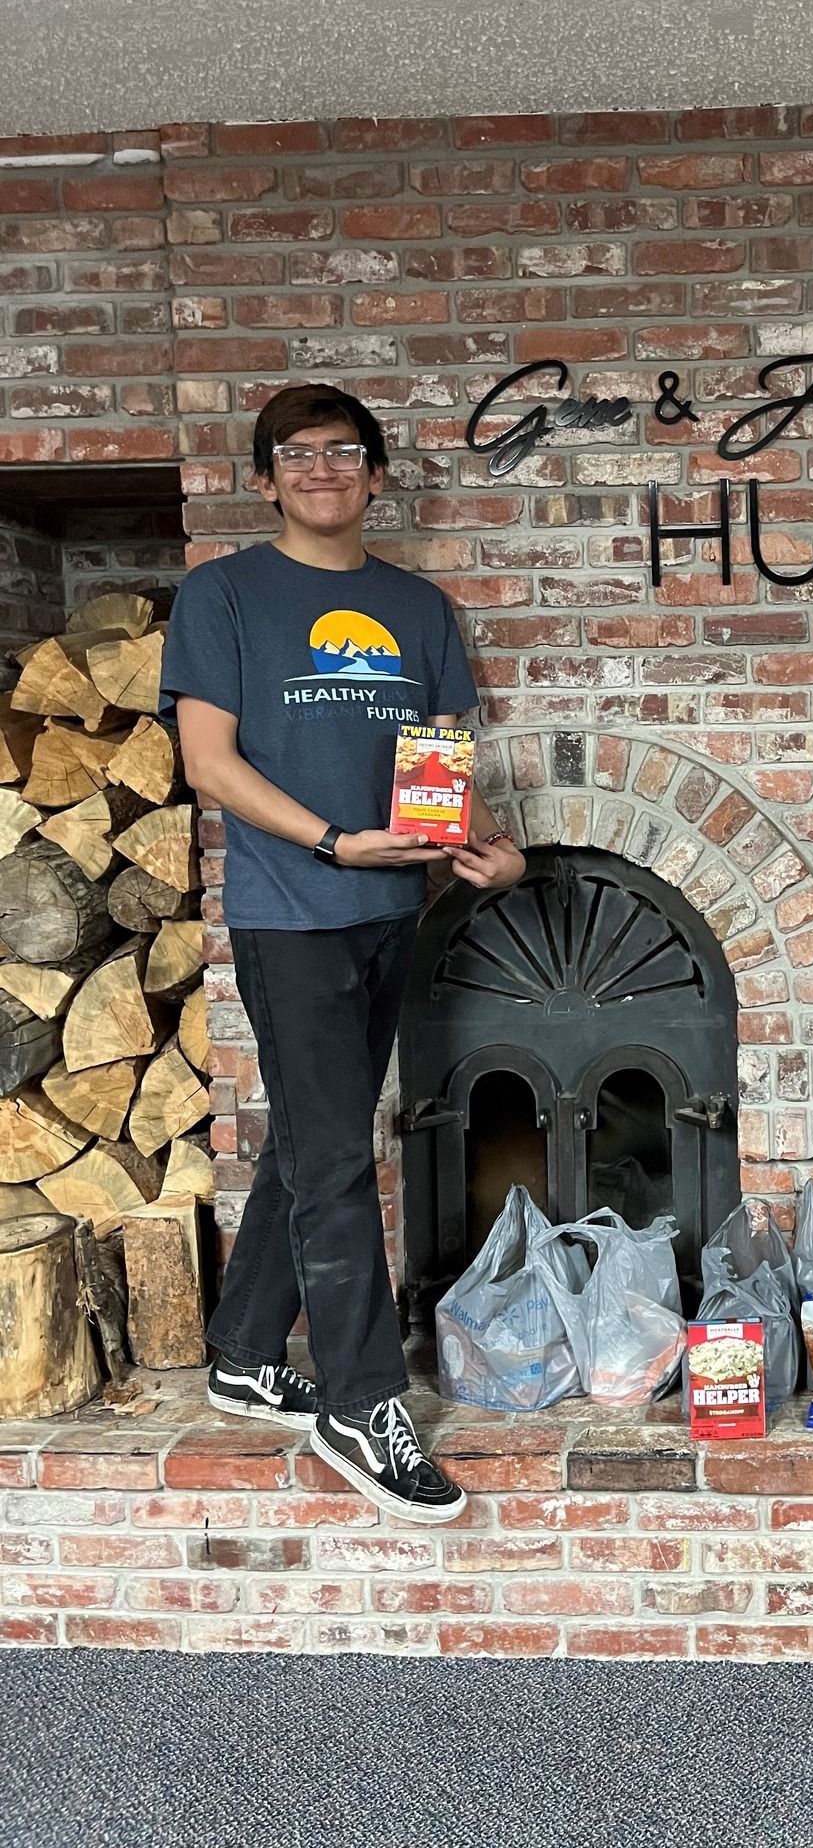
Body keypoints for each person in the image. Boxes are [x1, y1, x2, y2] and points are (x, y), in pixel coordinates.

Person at [160, 382, 525, 1524]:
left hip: (391, 910)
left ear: (374, 472)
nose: (323, 469)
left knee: (316, 1137)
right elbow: (207, 762)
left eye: (344, 451)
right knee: (330, 1157)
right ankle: (361, 1401)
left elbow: (441, 761)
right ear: (265, 478)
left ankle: (242, 1347)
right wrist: (328, 837)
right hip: (291, 908)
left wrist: (483, 851)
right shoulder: (221, 594)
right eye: (297, 454)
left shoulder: (416, 607)